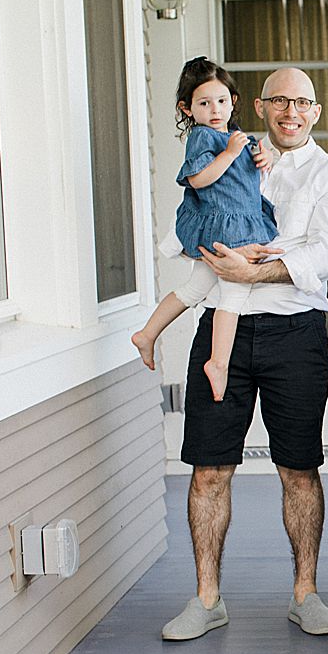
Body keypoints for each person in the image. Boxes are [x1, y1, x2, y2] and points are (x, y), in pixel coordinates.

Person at [160, 66, 328, 642]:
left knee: (298, 468)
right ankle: (207, 599)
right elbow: (195, 222)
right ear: (260, 105)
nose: (290, 112)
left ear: (316, 111)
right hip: (222, 329)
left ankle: (306, 593)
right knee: (207, 468)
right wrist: (215, 255)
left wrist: (248, 268)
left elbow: (324, 257)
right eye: (279, 101)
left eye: (301, 102)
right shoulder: (231, 154)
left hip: (294, 333)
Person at [131, 57, 276, 402]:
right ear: (188, 108)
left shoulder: (237, 137)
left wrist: (262, 159)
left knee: (196, 287)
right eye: (204, 103)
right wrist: (228, 154)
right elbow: (199, 179)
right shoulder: (202, 138)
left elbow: (251, 177)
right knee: (236, 291)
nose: (215, 110)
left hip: (241, 219)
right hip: (223, 225)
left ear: (233, 102)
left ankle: (147, 333)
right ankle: (219, 363)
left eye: (222, 101)